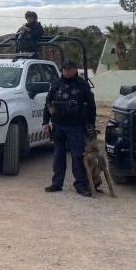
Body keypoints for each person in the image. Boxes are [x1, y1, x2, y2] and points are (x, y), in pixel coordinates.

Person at [43, 60, 97, 197]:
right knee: (58, 156)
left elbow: (91, 106)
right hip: (58, 126)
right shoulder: (56, 84)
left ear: (75, 69)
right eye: (64, 69)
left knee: (78, 156)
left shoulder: (82, 85)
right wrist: (45, 122)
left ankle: (81, 185)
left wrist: (91, 124)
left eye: (69, 68)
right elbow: (48, 104)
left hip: (76, 127)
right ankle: (57, 184)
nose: (66, 71)